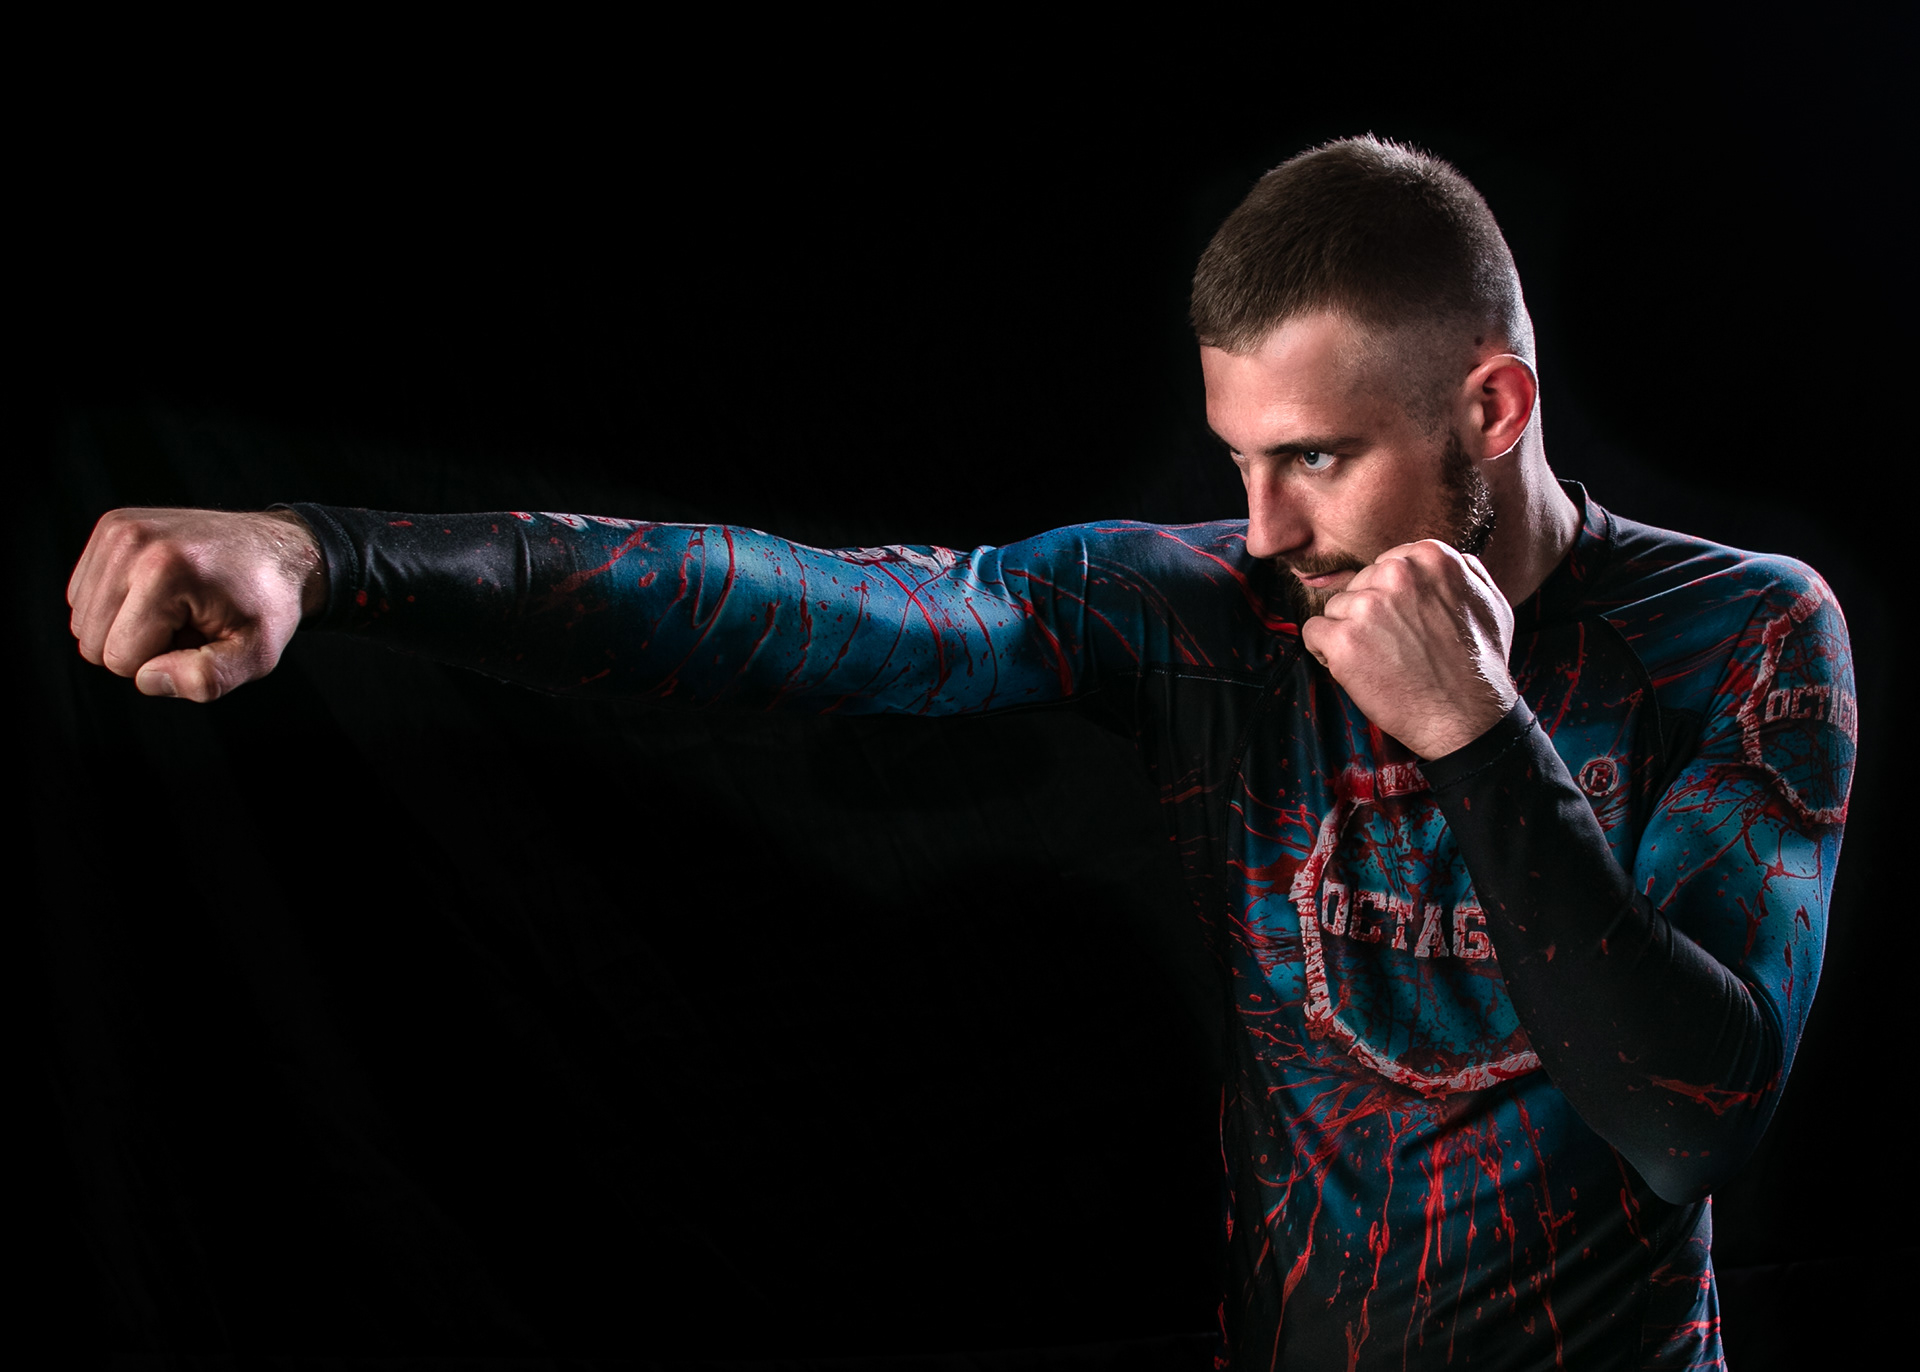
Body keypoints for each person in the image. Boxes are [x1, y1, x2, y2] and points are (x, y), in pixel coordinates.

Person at [65, 136, 1853, 1369]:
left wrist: (1474, 728)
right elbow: (802, 608)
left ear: (1493, 405)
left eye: (1314, 458)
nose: (1259, 529)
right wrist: (331, 556)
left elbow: (1688, 1121)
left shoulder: (1743, 634)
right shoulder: (1217, 619)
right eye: (1237, 459)